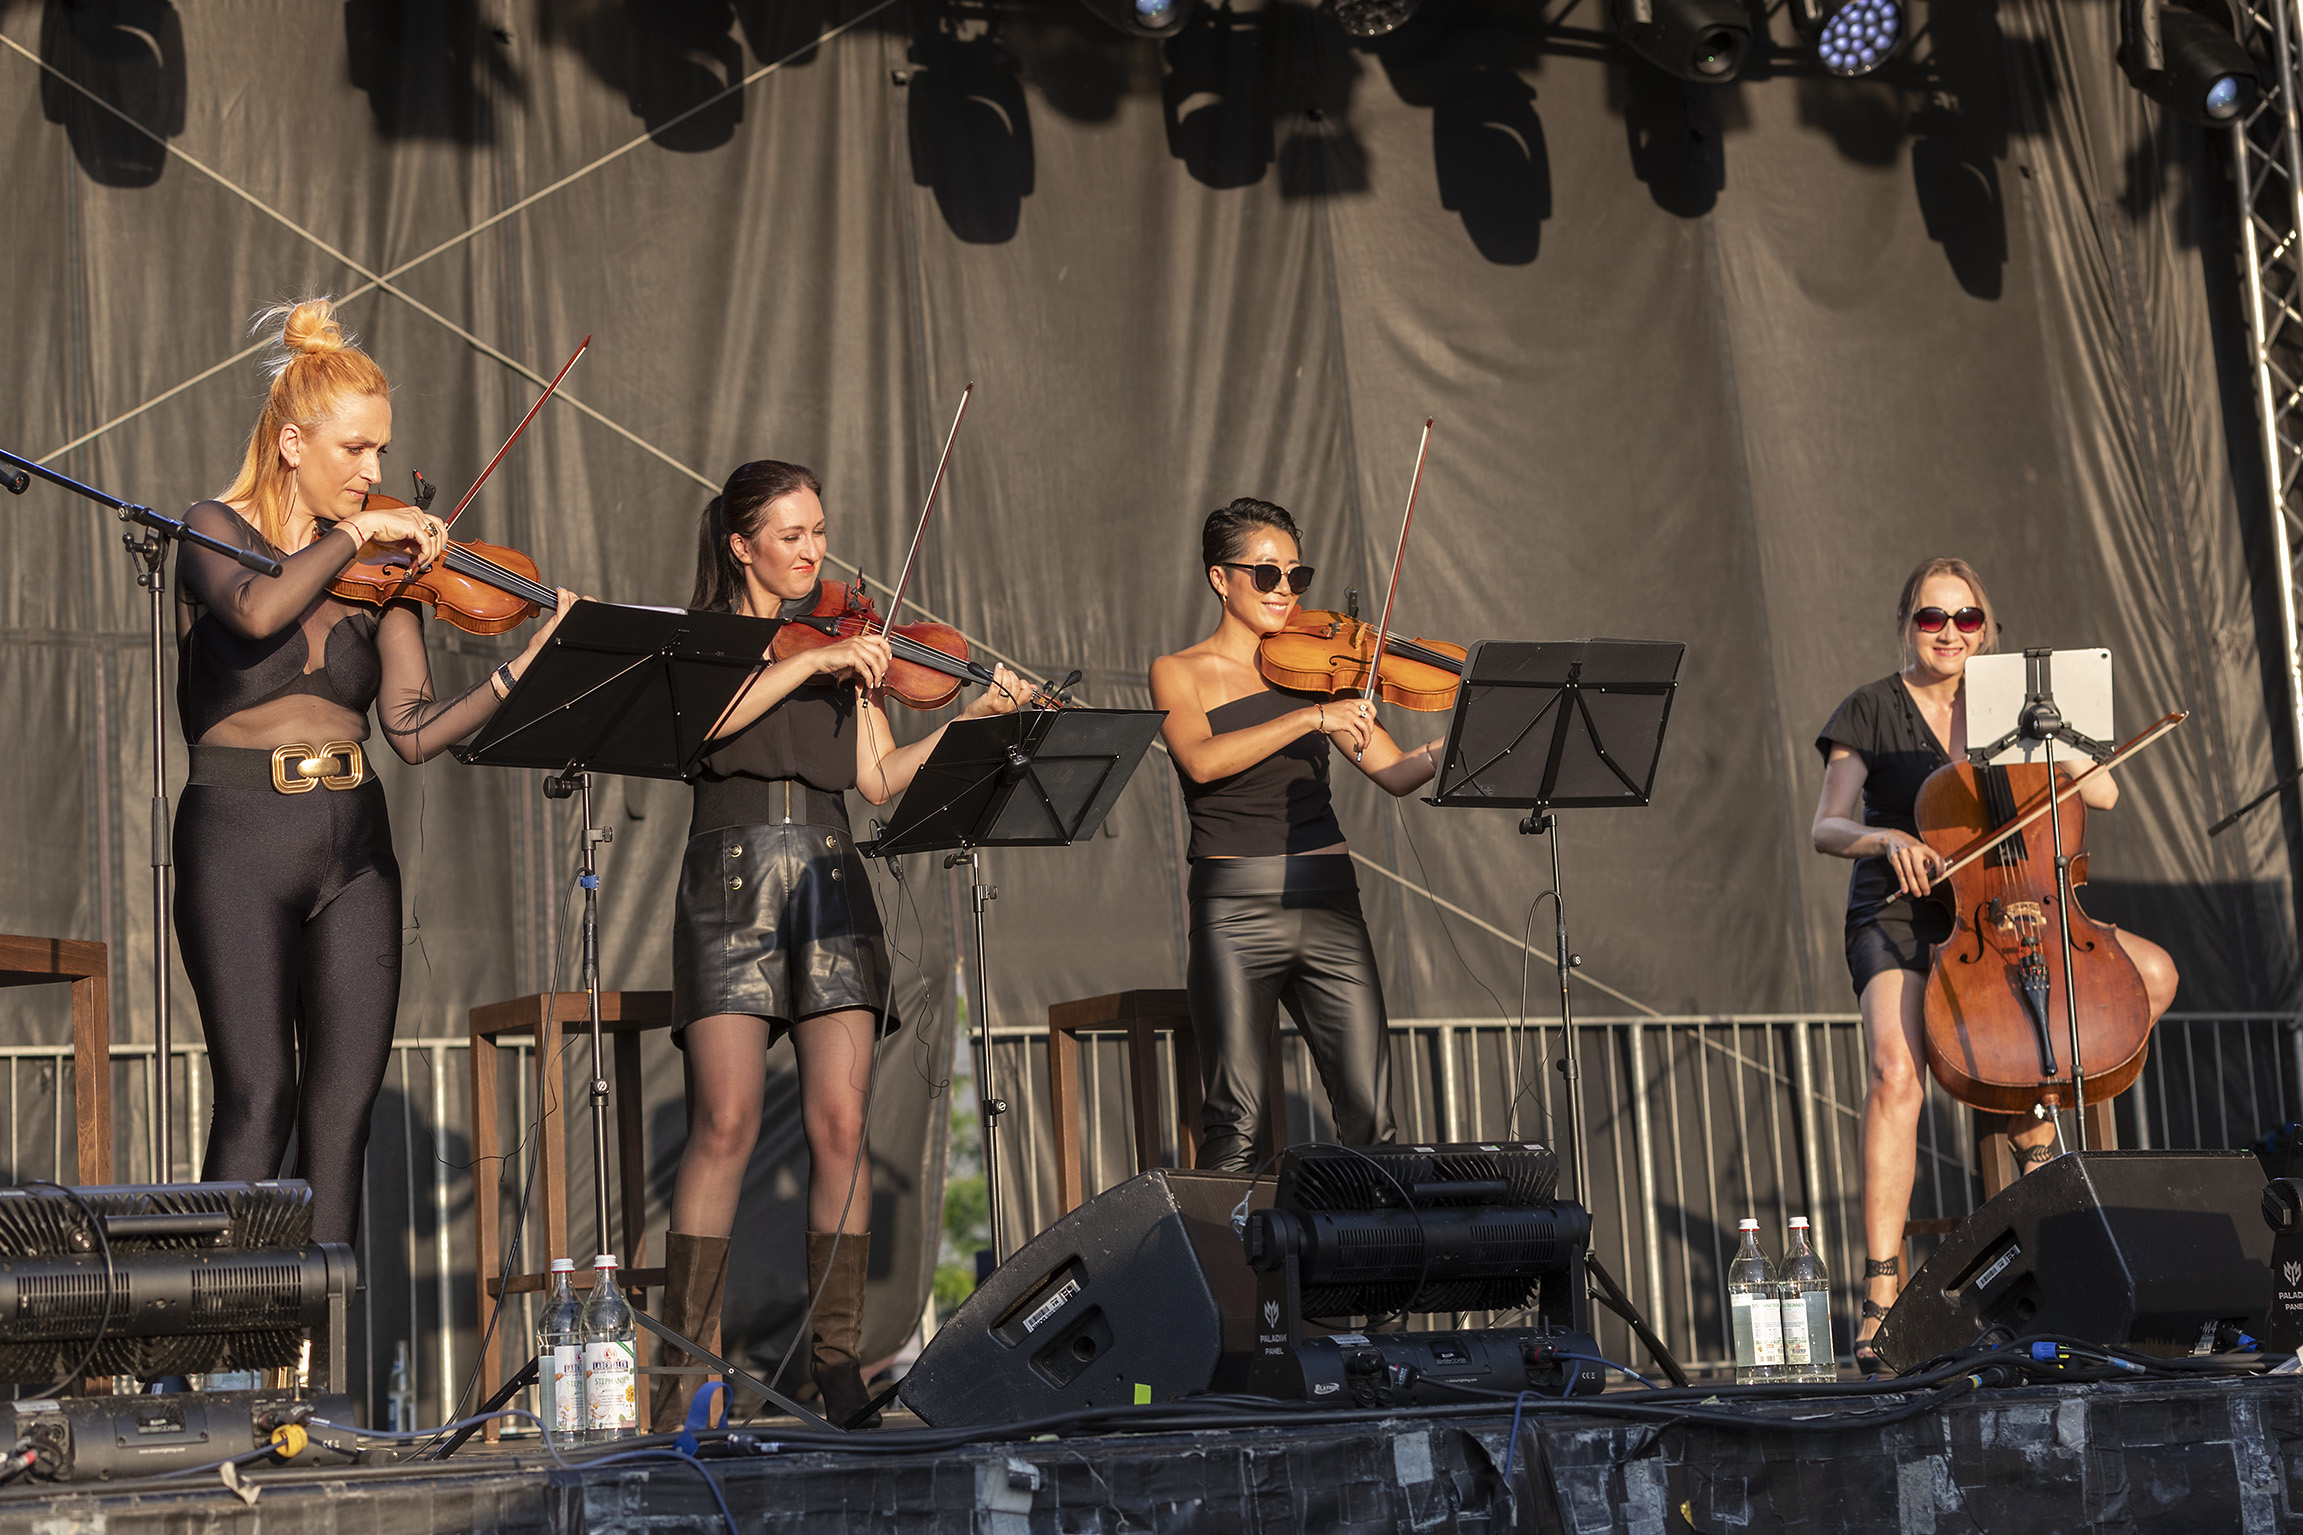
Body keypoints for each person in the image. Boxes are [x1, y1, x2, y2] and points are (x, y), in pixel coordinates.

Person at [174, 297, 575, 1247]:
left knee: (341, 1114)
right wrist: (355, 537)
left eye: (382, 451)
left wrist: (522, 668)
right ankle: (206, 1329)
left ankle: (319, 1343)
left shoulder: (390, 575)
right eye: (355, 449)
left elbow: (413, 729)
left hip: (355, 846)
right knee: (258, 1095)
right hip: (238, 836)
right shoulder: (211, 528)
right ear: (291, 443)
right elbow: (259, 611)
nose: (375, 473)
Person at [656, 459, 1023, 1430]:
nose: (813, 552)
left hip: (828, 874)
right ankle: (682, 1373)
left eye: (818, 531)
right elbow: (703, 726)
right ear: (740, 544)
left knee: (840, 1126)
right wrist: (811, 665)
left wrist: (966, 721)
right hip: (729, 877)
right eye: (792, 535)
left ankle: (839, 1363)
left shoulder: (843, 643)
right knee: (725, 1121)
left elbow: (876, 777)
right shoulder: (708, 640)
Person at [1812, 556, 2178, 1372]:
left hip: (2008, 911)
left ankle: (2022, 1101)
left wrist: (2054, 734)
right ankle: (1880, 1287)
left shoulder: (2016, 705)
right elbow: (1825, 826)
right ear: (1906, 625)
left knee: (2152, 974)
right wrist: (1886, 837)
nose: (1949, 633)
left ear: (1987, 629)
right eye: (1931, 617)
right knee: (1894, 1070)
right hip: (1902, 909)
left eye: (1965, 618)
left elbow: (2104, 796)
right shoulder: (1869, 708)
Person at [1147, 497, 1446, 1174]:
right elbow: (1201, 760)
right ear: (1220, 578)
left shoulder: (1318, 666)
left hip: (1329, 901)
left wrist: (1448, 747)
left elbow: (1396, 772)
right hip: (1235, 908)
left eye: (1295, 574)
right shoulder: (1179, 670)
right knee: (1235, 1128)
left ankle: (1369, 1246)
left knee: (1373, 1119)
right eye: (1266, 574)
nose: (1285, 590)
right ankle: (1228, 1248)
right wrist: (1310, 719)